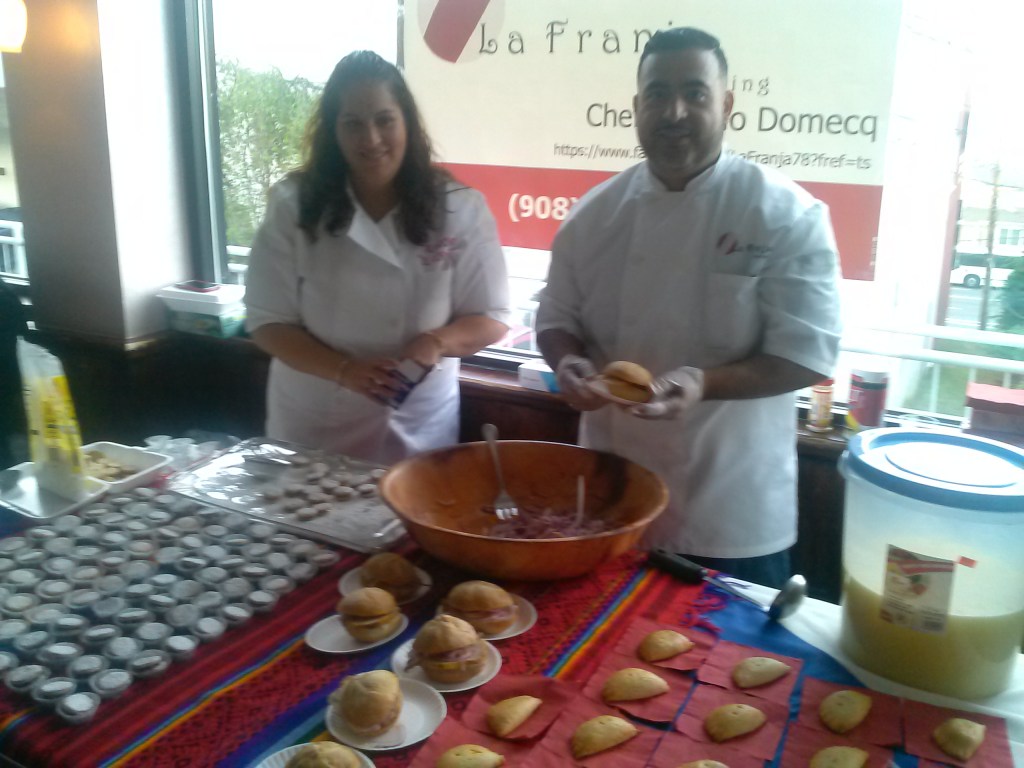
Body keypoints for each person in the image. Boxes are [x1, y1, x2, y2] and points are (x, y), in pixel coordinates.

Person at [535, 27, 841, 588]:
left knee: (731, 673)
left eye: (695, 93)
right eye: (657, 94)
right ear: (636, 107)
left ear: (726, 104)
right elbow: (556, 320)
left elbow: (807, 354)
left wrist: (702, 382)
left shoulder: (784, 214)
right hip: (614, 503)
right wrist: (569, 364)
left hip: (731, 516)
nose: (673, 111)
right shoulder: (592, 217)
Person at [244, 51, 510, 464]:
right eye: (353, 124)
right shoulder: (294, 205)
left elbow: (491, 317)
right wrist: (344, 370)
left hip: (420, 422)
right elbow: (267, 322)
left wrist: (437, 341)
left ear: (407, 122)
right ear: (333, 131)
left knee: (411, 524)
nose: (370, 139)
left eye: (384, 120)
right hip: (316, 423)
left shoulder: (460, 208)